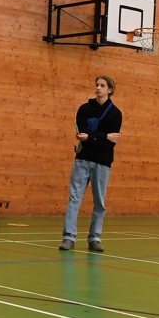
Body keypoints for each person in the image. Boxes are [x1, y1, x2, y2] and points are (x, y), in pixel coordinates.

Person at [59, 75, 122, 253]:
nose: (98, 88)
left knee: (99, 202)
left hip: (103, 162)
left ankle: (95, 237)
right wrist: (103, 136)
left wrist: (94, 137)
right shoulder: (84, 109)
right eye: (97, 85)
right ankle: (68, 237)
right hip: (82, 160)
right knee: (74, 198)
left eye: (102, 85)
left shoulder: (116, 114)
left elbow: (112, 141)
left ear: (109, 89)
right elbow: (82, 135)